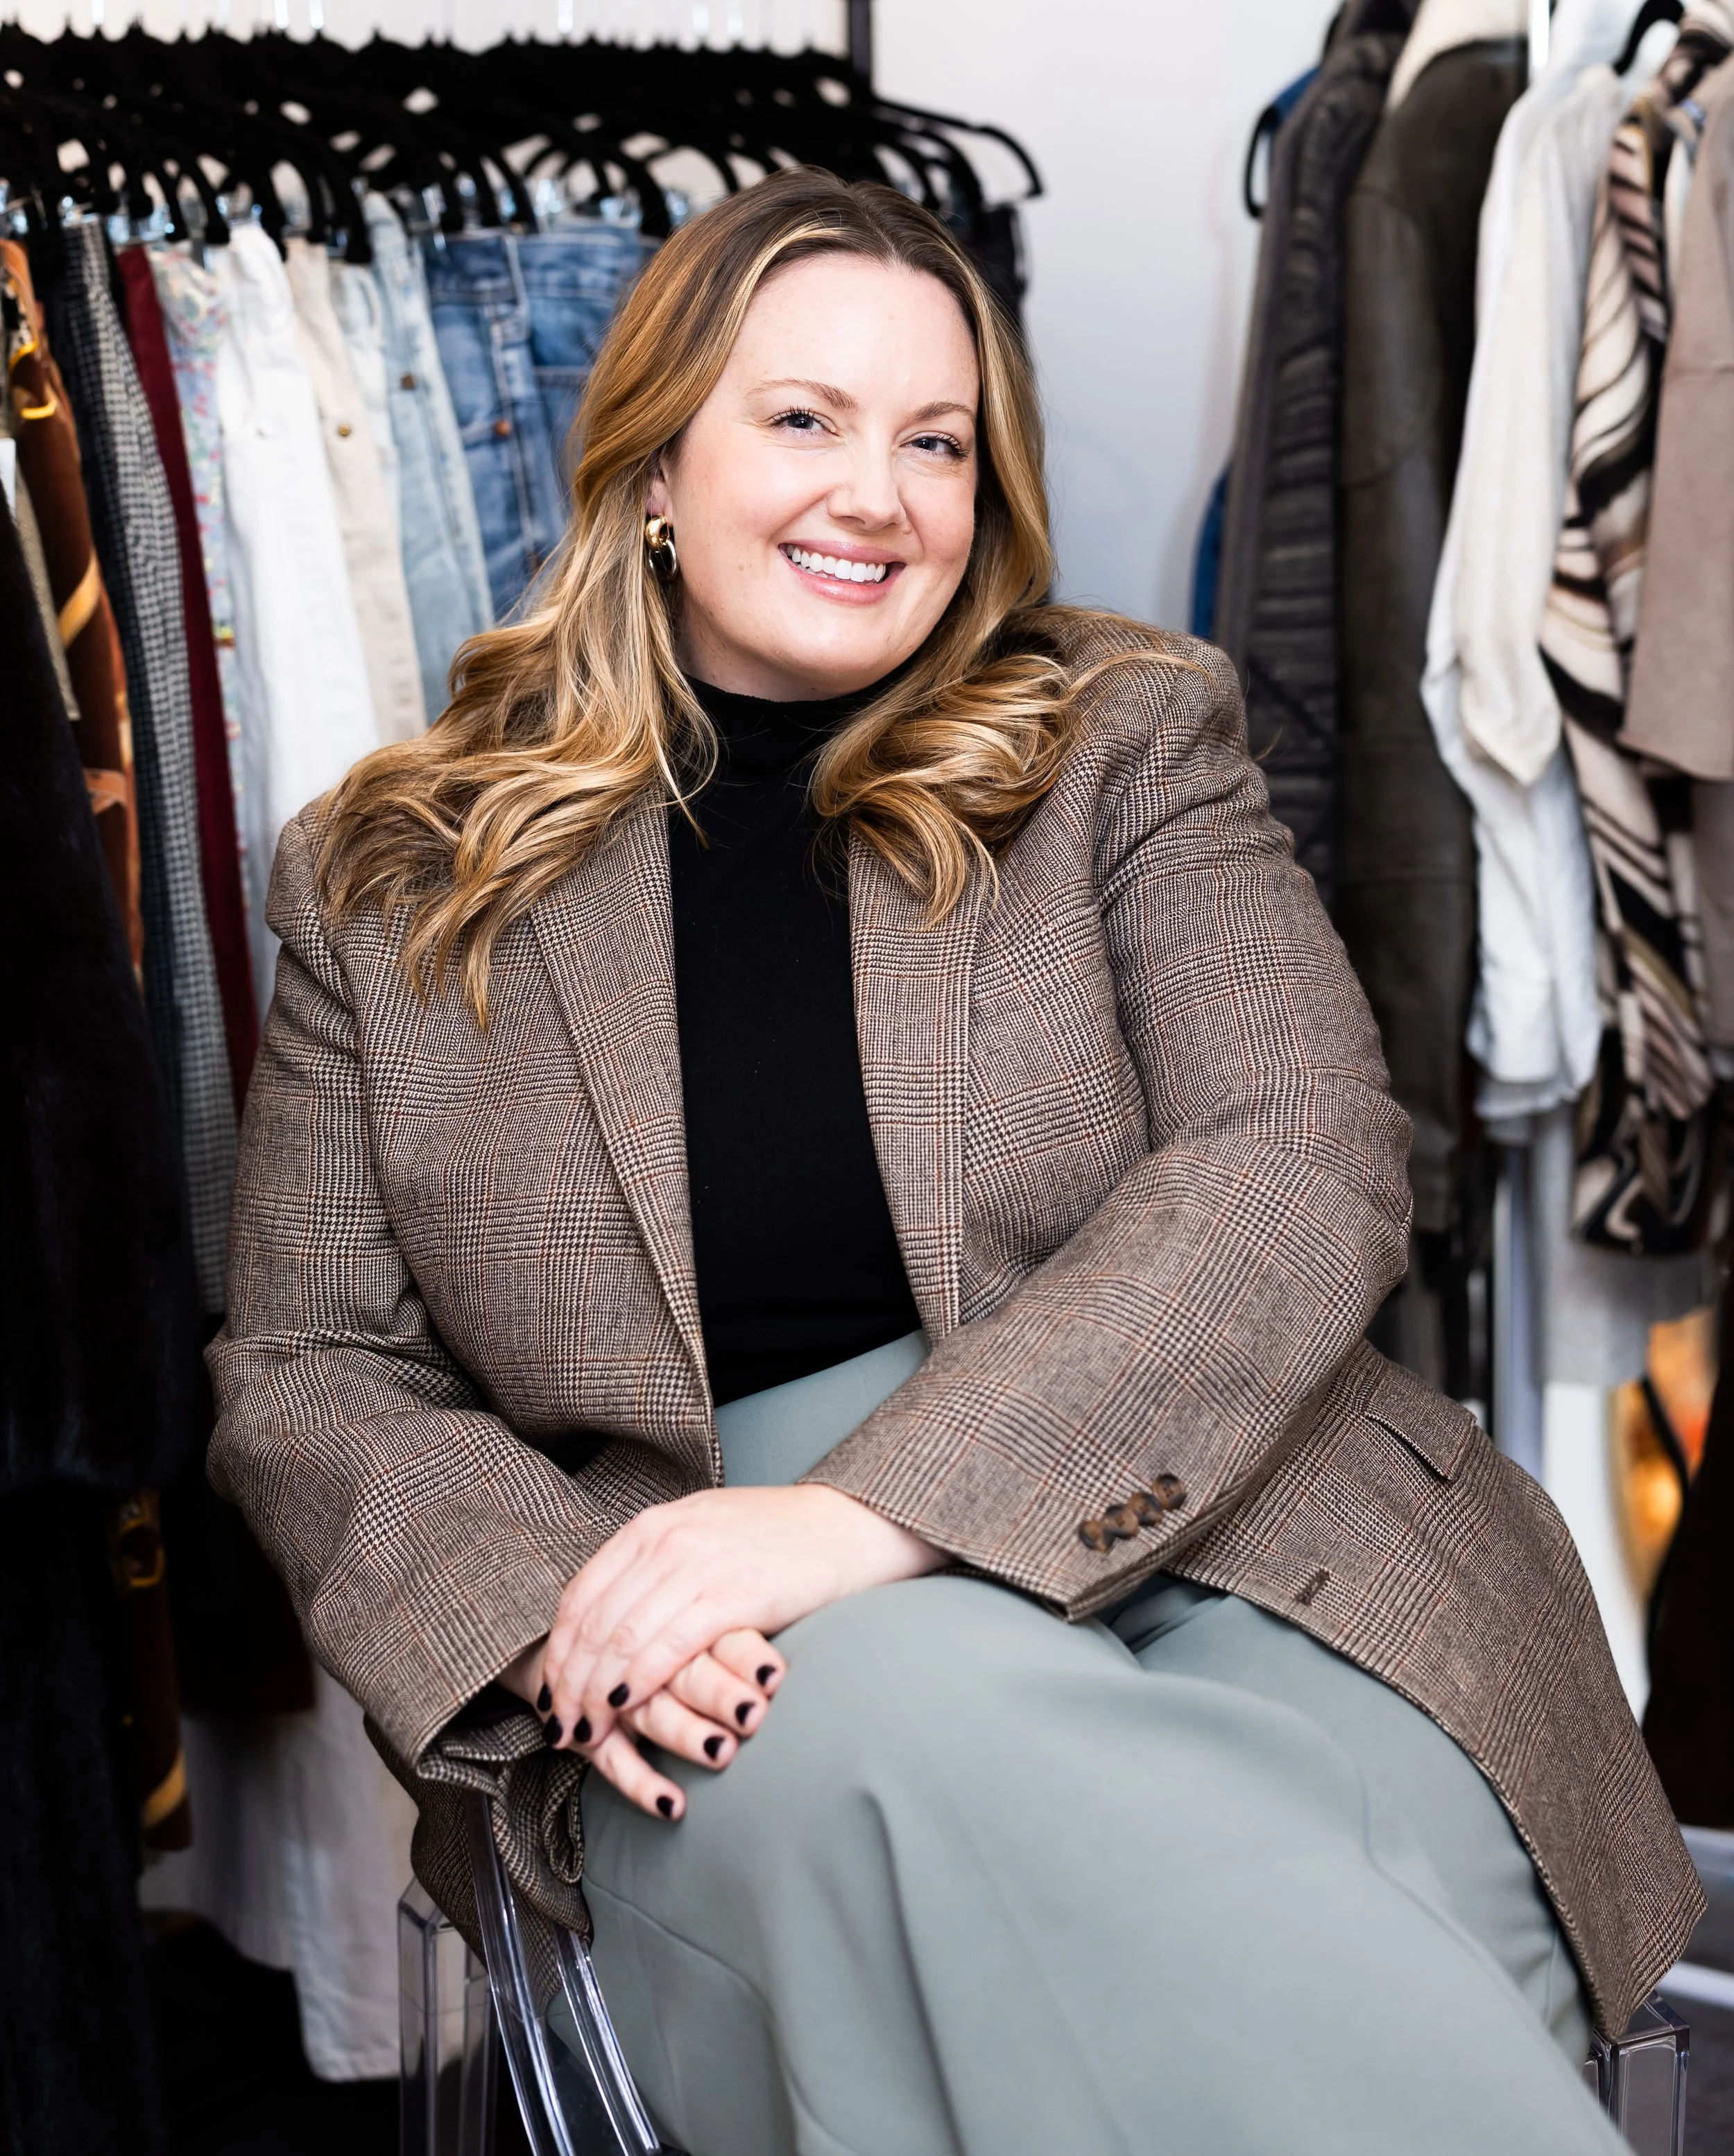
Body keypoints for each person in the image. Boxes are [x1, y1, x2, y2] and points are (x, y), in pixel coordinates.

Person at [211, 168, 1697, 2156]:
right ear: (652, 463)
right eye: (803, 420)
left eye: (936, 442)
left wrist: (855, 1519)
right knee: (929, 1760)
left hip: (1222, 1513)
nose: (878, 495)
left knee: (1384, 1848)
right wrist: (564, 1608)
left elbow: (1302, 1150)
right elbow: (312, 1371)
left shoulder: (1117, 738)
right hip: (696, 1622)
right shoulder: (393, 873)